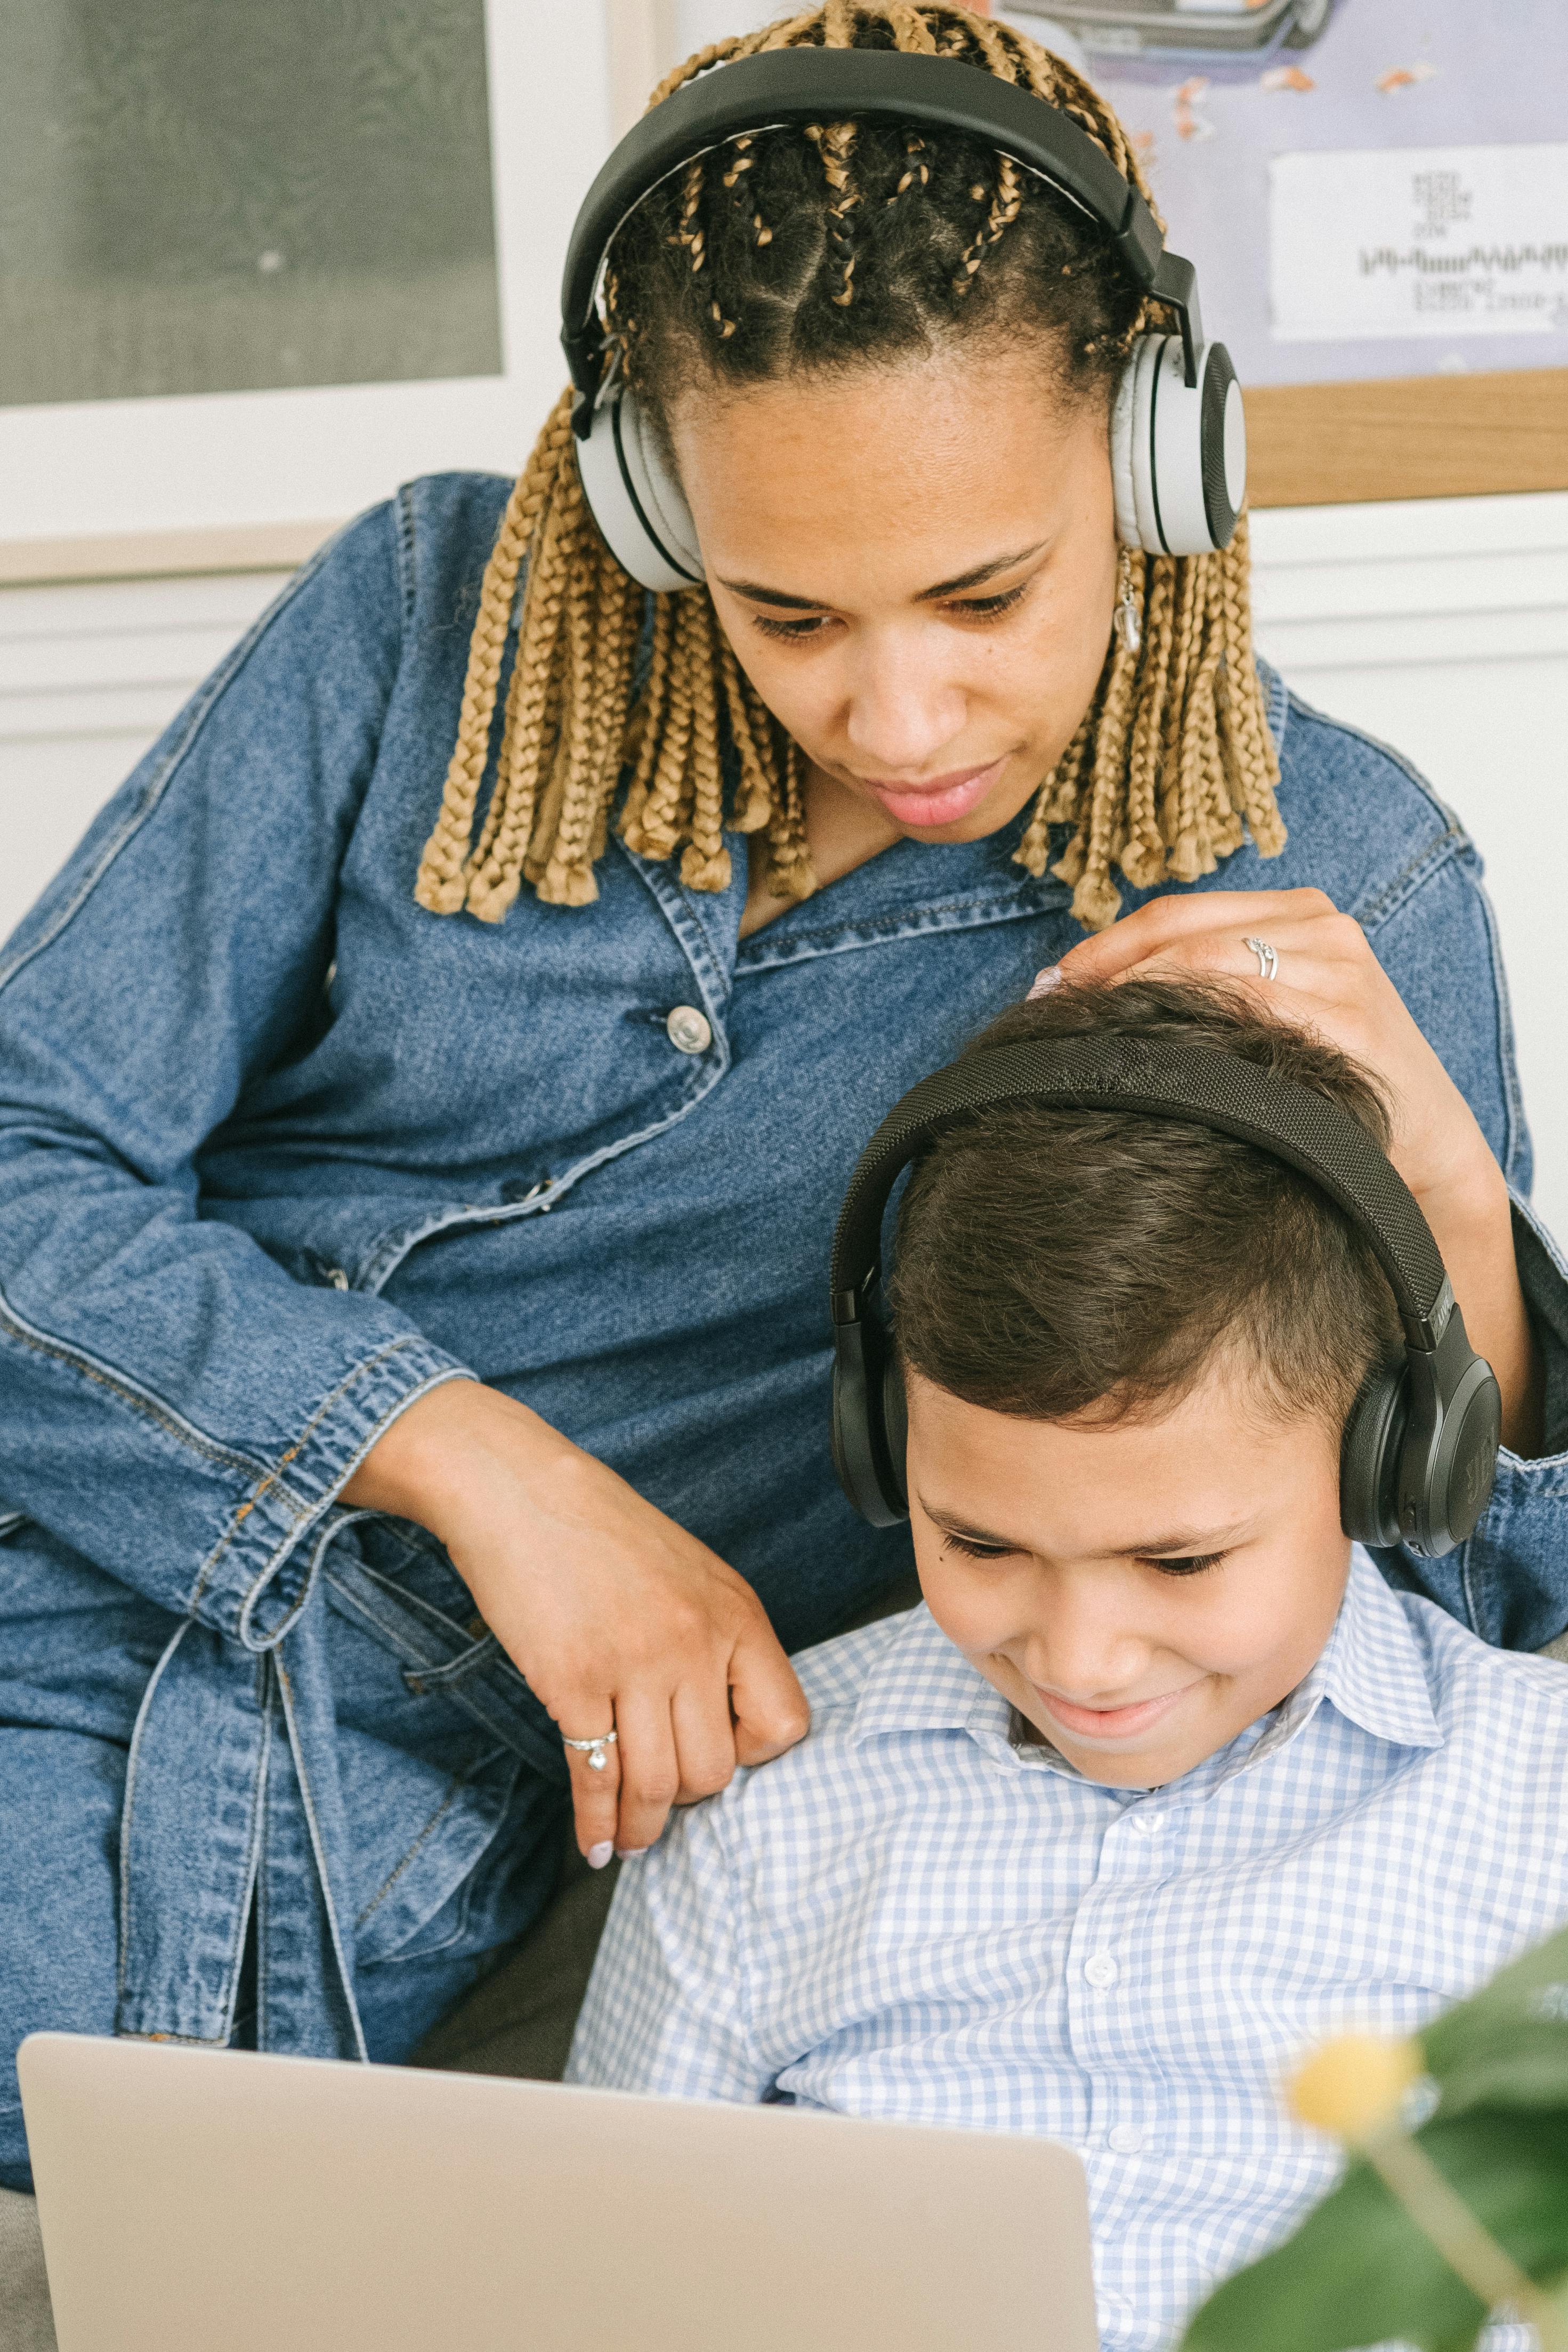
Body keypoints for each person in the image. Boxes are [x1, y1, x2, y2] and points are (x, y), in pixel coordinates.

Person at [1, 1, 1566, 2202]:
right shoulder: (423, 630)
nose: (896, 710)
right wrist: (477, 1468)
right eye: (785, 612)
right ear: (648, 502)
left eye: (983, 593)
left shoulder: (1324, 870)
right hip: (69, 1609)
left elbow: (1459, 1634)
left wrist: (1455, 1203)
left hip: (453, 1858)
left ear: (1150, 459)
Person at [567, 975, 1568, 2352]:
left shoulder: (1540, 1795)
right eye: (979, 1542)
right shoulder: (766, 1805)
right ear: (879, 1451)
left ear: (1393, 1466)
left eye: (1179, 1563)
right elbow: (594, 2284)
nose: (1083, 1659)